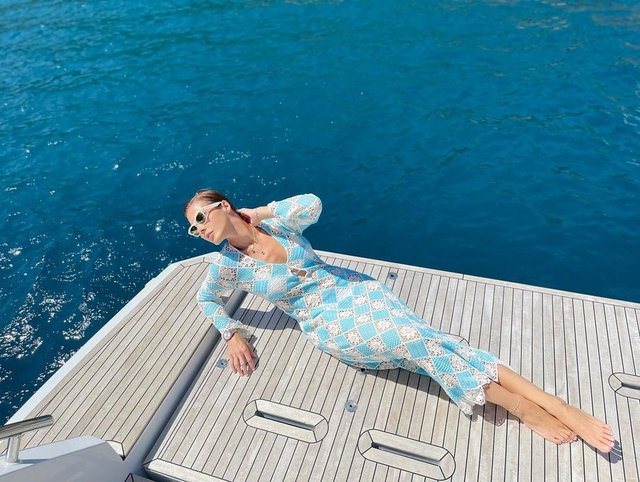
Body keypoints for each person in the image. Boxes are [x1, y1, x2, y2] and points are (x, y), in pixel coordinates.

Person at [184, 190, 615, 453]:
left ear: (224, 207)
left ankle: (548, 407)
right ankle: (532, 405)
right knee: (420, 341)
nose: (199, 229)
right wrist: (232, 332)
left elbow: (313, 204)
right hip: (329, 324)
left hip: (354, 289)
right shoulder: (228, 267)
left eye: (201, 218)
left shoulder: (276, 224)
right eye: (193, 228)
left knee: (427, 343)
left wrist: (259, 212)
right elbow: (206, 299)